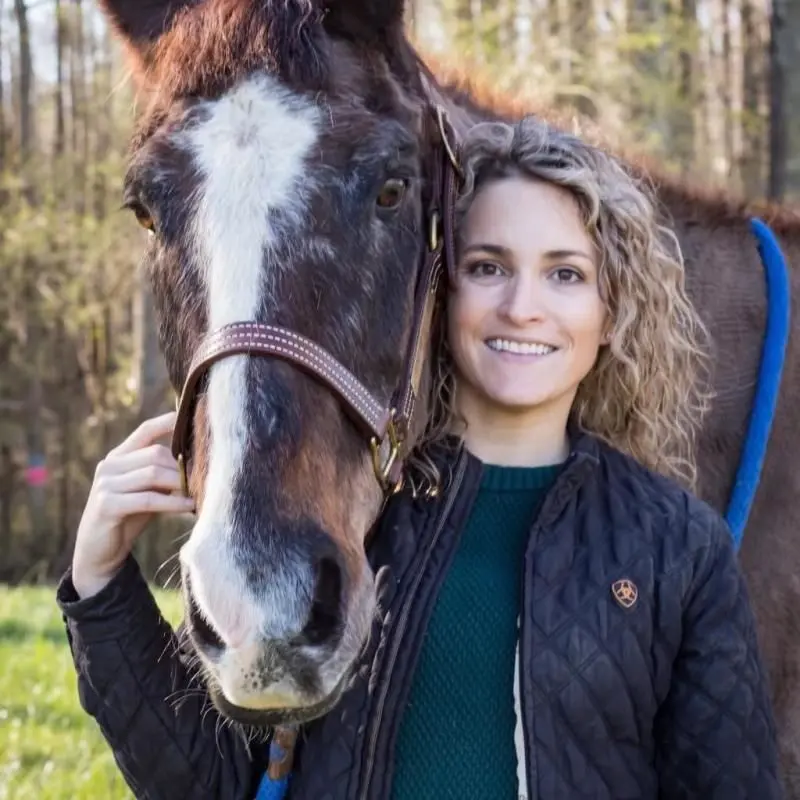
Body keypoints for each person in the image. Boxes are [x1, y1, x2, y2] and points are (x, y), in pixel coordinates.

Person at [57, 116, 783, 800]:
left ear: (610, 310)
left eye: (565, 274)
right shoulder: (348, 513)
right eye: (489, 266)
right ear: (437, 287)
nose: (523, 307)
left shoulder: (675, 547)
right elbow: (206, 782)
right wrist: (99, 587)